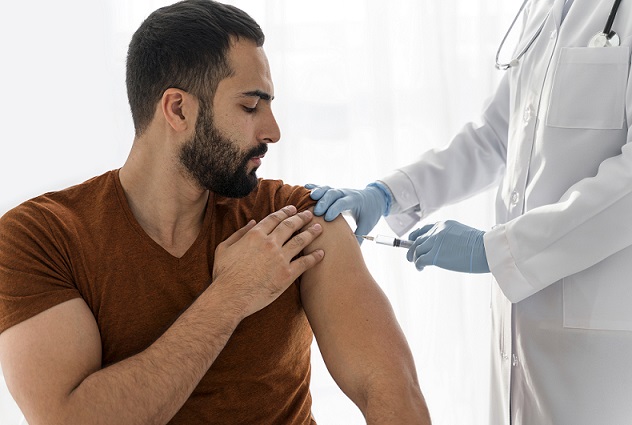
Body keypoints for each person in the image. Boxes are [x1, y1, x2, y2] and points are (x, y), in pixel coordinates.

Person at [0, 1, 432, 424]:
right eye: (250, 106)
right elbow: (70, 419)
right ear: (178, 109)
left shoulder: (294, 217)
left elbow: (390, 387)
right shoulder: (38, 238)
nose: (273, 131)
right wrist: (232, 295)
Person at [307, 0, 632, 424]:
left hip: (600, 348)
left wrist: (497, 250)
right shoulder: (542, 9)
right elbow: (495, 136)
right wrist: (388, 193)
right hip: (522, 334)